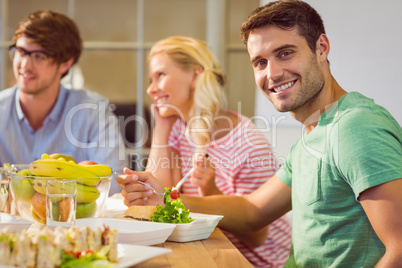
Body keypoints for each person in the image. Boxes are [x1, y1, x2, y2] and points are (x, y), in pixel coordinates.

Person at [118, 0, 402, 267]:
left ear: (322, 48)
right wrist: (164, 198)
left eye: (285, 53)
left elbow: (399, 250)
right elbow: (254, 210)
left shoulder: (355, 129)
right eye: (260, 62)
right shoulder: (313, 134)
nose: (273, 73)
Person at [132, 35, 291, 267]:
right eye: (151, 79)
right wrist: (161, 128)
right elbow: (157, 199)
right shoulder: (178, 128)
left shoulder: (248, 144)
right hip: (209, 248)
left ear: (195, 74)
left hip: (256, 262)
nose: (150, 89)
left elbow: (257, 237)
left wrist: (210, 190)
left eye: (160, 75)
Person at [0, 10, 126, 194]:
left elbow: (113, 184)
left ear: (66, 63)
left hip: (73, 222)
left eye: (39, 56)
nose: (25, 65)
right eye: (21, 51)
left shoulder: (92, 112)